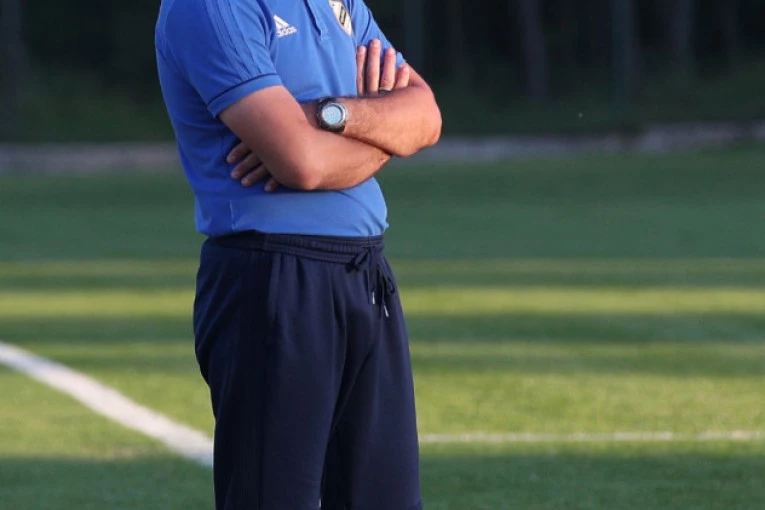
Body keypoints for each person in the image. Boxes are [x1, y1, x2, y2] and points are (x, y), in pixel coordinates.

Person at [155, 0, 442, 508]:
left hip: (366, 276)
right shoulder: (211, 6)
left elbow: (425, 118)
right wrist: (385, 131)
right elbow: (303, 163)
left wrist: (327, 114)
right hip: (273, 276)